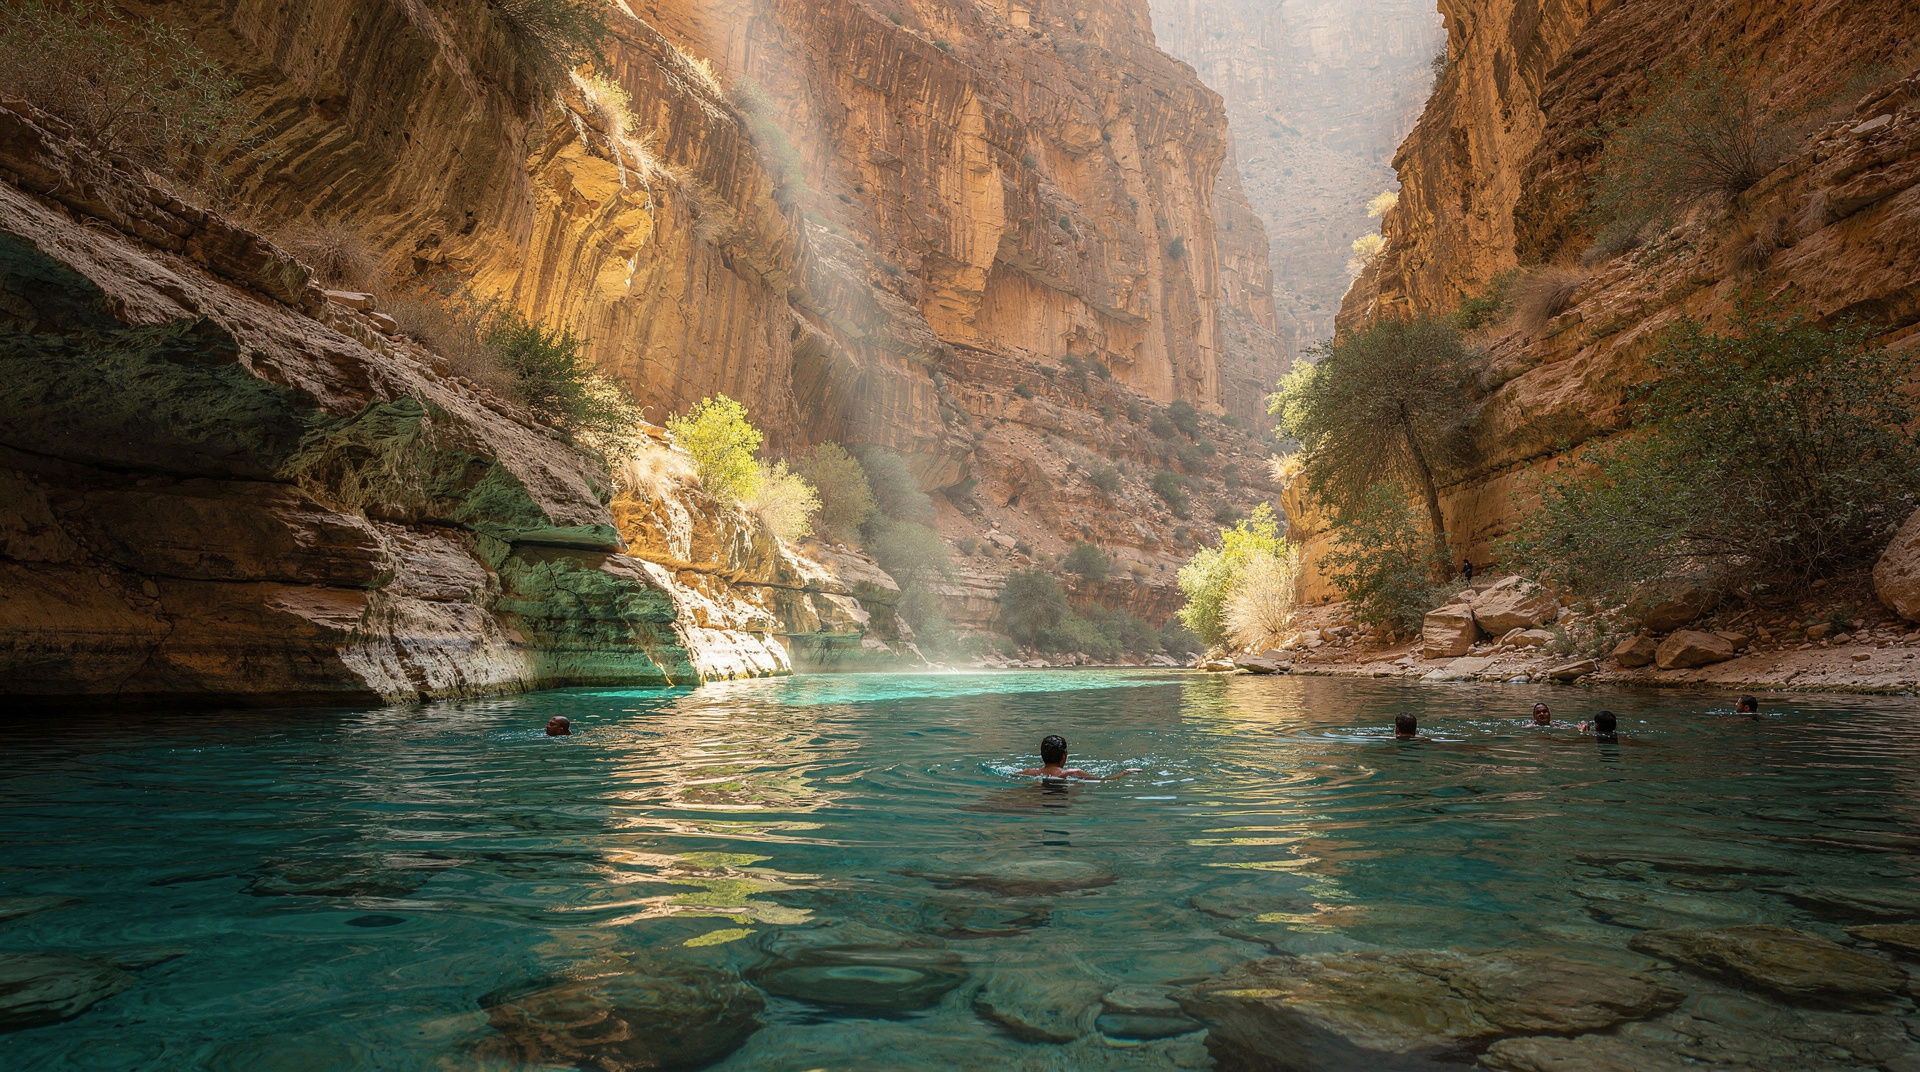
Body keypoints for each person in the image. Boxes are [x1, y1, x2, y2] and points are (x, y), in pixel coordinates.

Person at [1015, 735, 1141, 781]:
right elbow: (1104, 780)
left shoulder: (1029, 772)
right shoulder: (1073, 773)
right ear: (1064, 756)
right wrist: (1125, 772)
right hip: (1061, 799)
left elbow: (1013, 775)